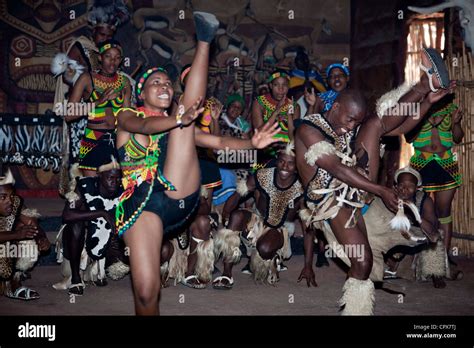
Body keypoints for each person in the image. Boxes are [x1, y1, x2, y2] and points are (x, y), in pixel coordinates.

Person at [114, 12, 279, 315]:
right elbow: (146, 128)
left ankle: (204, 39)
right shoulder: (127, 117)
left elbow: (218, 143)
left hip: (180, 194)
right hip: (141, 207)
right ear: (141, 93)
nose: (164, 85)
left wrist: (251, 145)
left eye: (167, 81)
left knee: (185, 128)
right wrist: (177, 119)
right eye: (155, 82)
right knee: (147, 292)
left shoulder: (181, 123)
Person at [295, 48, 455, 315]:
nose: (350, 127)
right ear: (335, 108)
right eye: (348, 120)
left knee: (375, 124)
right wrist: (380, 189)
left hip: (357, 191)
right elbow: (335, 168)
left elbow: (400, 128)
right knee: (363, 261)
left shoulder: (351, 124)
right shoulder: (308, 129)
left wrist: (427, 102)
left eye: (354, 122)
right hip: (330, 204)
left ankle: (425, 85)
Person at [213, 143, 302, 288]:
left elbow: (308, 225)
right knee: (236, 217)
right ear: (277, 160)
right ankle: (227, 274)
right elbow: (238, 194)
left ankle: (273, 256)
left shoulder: (301, 186)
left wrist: (308, 265)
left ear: (297, 166)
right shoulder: (263, 175)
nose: (285, 167)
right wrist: (226, 214)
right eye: (282, 161)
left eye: (291, 163)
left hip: (280, 227)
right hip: (257, 218)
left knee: (265, 249)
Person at [56, 159, 124, 296]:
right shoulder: (84, 186)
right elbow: (67, 215)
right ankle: (76, 279)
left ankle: (100, 271)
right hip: (82, 245)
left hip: (107, 244)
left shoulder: (124, 189)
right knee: (76, 225)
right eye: (110, 178)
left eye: (118, 178)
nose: (114, 182)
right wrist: (101, 213)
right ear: (100, 175)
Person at [408, 94, 463, 257]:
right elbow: (408, 137)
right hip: (420, 164)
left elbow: (458, 138)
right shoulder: (416, 111)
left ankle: (442, 259)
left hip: (445, 164)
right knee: (416, 211)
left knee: (444, 212)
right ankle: (418, 256)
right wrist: (419, 120)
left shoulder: (451, 110)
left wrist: (455, 123)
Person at [66, 40, 131, 177]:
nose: (112, 61)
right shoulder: (86, 79)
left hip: (117, 139)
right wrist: (98, 101)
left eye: (117, 58)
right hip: (92, 139)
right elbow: (69, 115)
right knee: (91, 190)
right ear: (100, 57)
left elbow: (126, 117)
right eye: (108, 56)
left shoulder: (124, 82)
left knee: (116, 188)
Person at [0, 169, 50, 300]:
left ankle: (13, 282)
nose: (9, 201)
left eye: (11, 196)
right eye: (3, 197)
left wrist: (41, 238)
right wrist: (15, 235)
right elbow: (15, 235)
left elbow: (33, 225)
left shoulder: (15, 204)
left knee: (27, 232)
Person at [251, 70, 300, 165]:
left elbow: (293, 139)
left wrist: (289, 116)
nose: (280, 89)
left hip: (287, 152)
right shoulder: (259, 102)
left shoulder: (294, 106)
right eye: (276, 85)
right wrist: (276, 112)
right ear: (270, 86)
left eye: (284, 85)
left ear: (288, 86)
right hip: (265, 149)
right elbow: (259, 132)